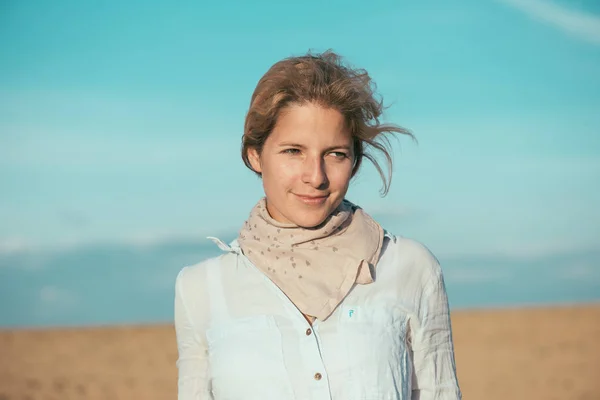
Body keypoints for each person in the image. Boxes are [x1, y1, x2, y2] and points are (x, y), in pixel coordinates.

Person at [174, 50, 461, 400]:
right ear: (254, 155)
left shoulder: (410, 268)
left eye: (335, 154)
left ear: (354, 162)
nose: (316, 176)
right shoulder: (200, 288)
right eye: (293, 151)